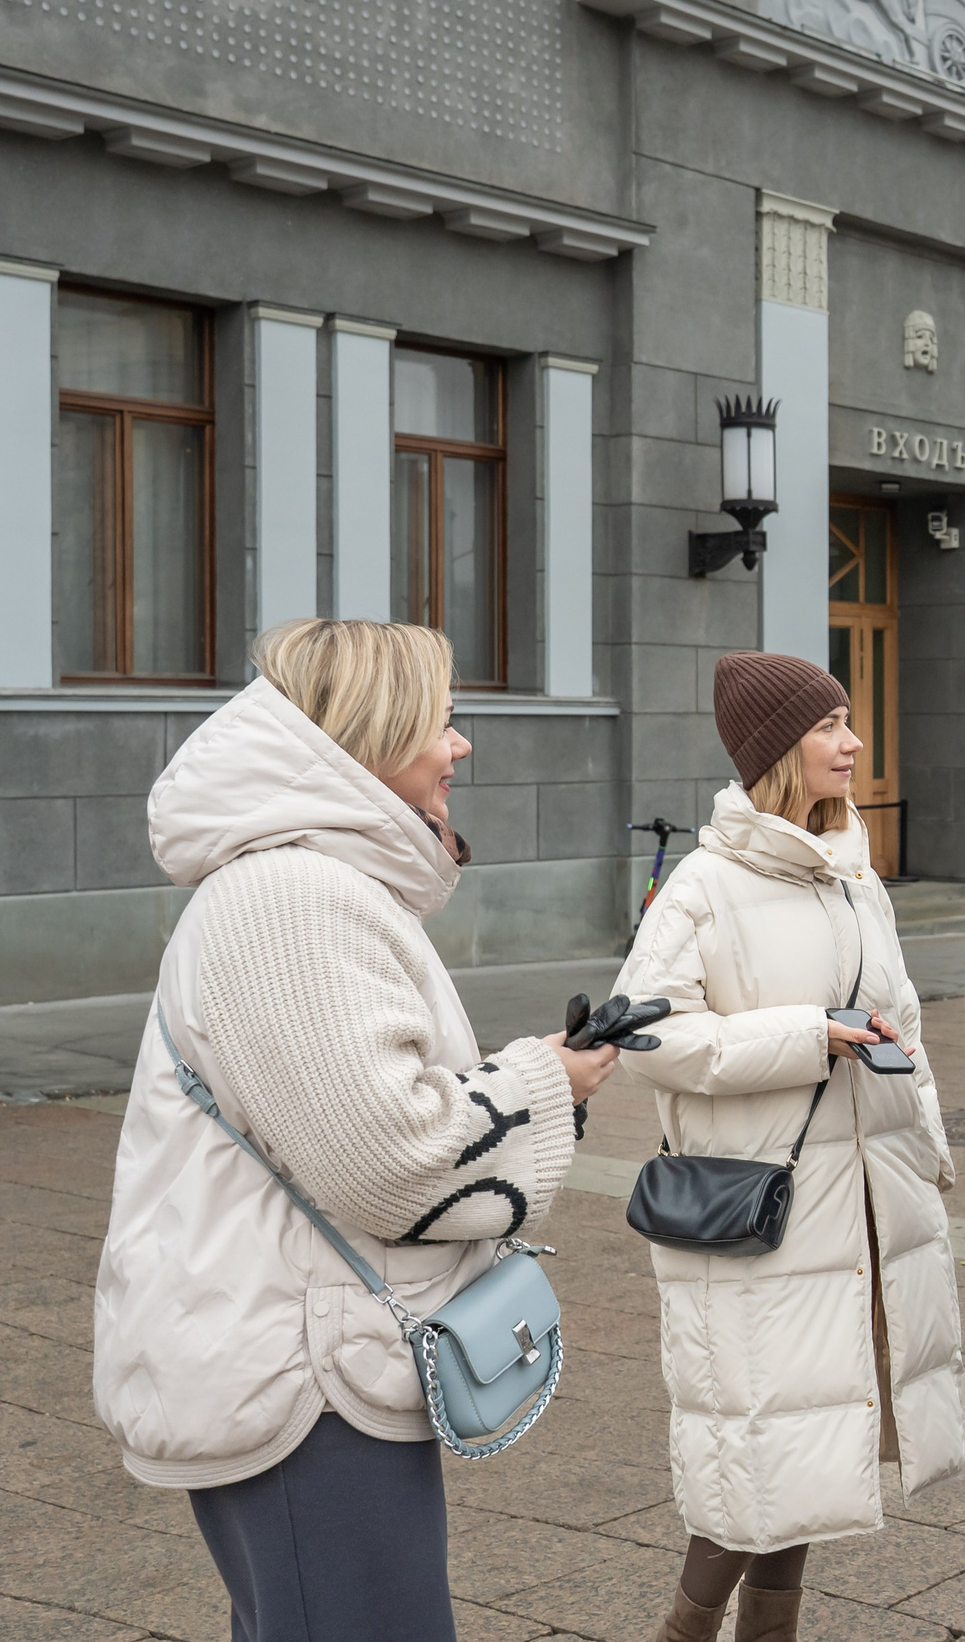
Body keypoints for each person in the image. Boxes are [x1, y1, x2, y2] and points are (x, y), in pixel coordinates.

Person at [93, 619, 623, 1641]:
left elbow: (348, 1114)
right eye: (441, 720)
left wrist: (537, 1081)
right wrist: (540, 1082)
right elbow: (389, 1161)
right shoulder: (294, 899)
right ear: (371, 729)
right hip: (304, 1378)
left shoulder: (298, 884)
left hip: (297, 1356)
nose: (460, 745)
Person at [618, 651, 965, 1642]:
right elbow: (645, 1035)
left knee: (813, 1454)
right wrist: (806, 1034)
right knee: (755, 1459)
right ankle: (685, 1632)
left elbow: (904, 1024)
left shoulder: (856, 878)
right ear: (777, 751)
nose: (852, 743)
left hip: (863, 1209)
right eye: (828, 726)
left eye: (848, 721)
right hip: (760, 1217)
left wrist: (928, 1147)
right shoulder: (704, 885)